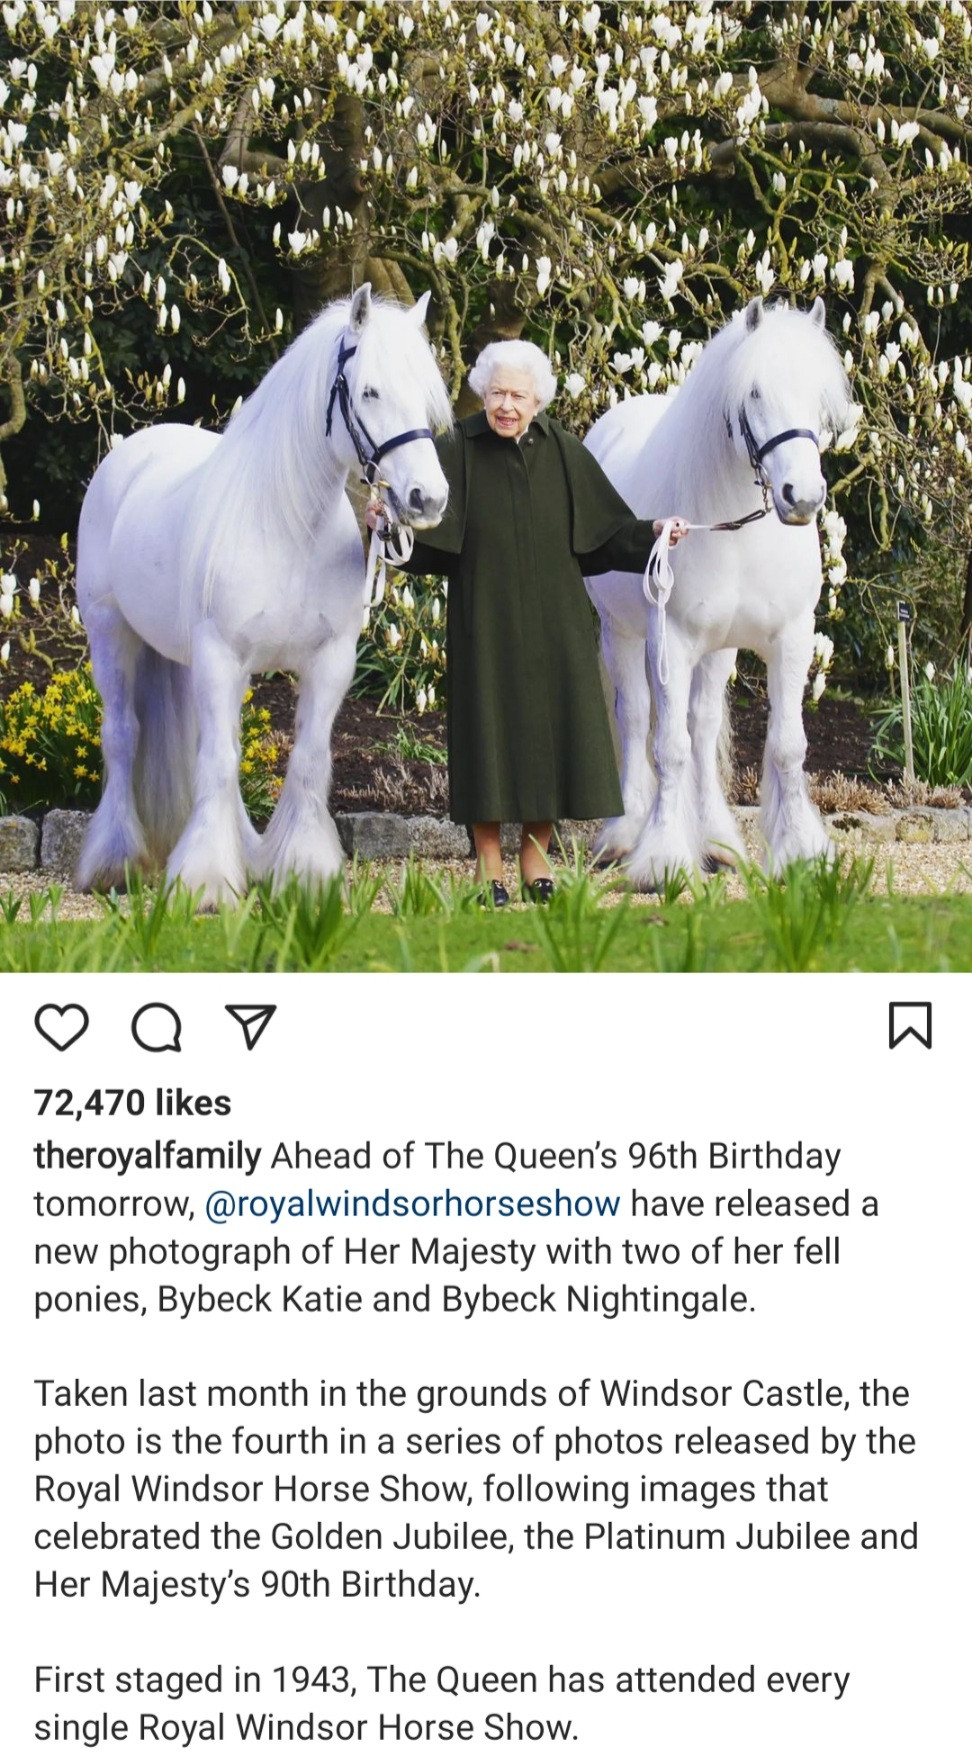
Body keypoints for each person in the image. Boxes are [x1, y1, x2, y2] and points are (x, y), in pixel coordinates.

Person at [368, 340, 687, 905]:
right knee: (486, 739)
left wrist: (656, 531)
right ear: (481, 395)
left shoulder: (564, 451)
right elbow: (425, 541)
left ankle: (535, 855)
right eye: (496, 393)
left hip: (556, 625)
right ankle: (488, 861)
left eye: (517, 394)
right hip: (483, 623)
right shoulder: (457, 449)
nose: (506, 405)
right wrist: (385, 526)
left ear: (538, 398)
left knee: (552, 739)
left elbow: (607, 533)